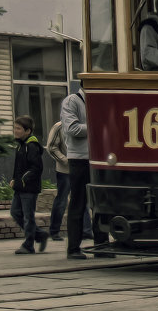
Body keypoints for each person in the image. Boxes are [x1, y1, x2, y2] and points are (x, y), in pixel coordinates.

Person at [60, 82, 109, 260]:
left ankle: (102, 245)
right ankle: (73, 248)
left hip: (99, 157)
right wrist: (99, 126)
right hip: (79, 159)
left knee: (100, 203)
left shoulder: (99, 102)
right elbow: (72, 128)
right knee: (78, 203)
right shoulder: (72, 101)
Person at [9, 115, 47, 254]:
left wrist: (22, 180)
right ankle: (40, 235)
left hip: (29, 188)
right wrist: (14, 179)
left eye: (18, 128)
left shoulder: (31, 146)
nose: (15, 130)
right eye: (15, 127)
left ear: (28, 131)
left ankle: (28, 245)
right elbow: (18, 166)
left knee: (28, 217)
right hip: (20, 187)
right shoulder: (20, 146)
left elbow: (36, 168)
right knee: (15, 212)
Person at [44, 120, 70, 241]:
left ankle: (85, 230)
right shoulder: (59, 127)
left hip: (82, 168)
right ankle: (54, 231)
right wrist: (65, 161)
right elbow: (51, 147)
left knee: (82, 198)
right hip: (65, 170)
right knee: (62, 199)